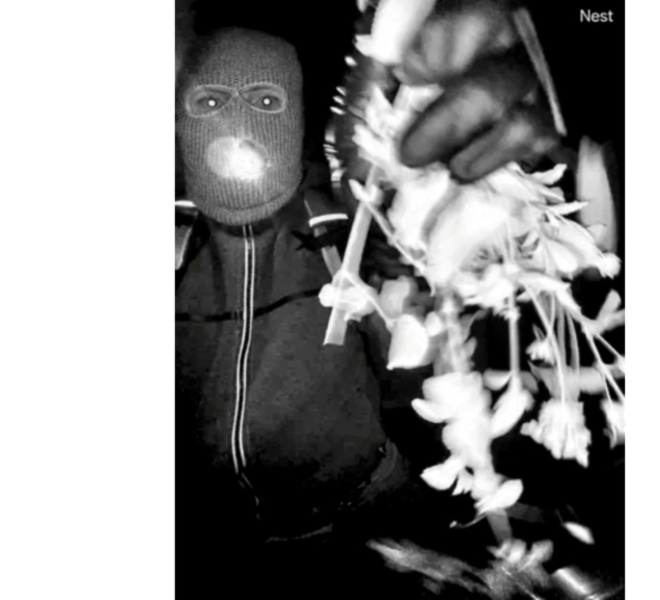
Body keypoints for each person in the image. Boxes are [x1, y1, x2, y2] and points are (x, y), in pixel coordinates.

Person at [175, 2, 623, 598]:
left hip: (375, 512)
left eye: (265, 100)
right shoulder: (172, 244)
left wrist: (562, 156)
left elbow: (440, 330)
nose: (236, 126)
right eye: (208, 103)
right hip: (218, 547)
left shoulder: (345, 221)